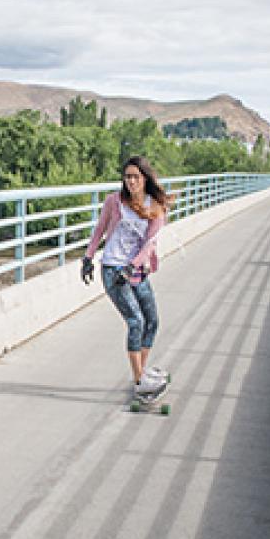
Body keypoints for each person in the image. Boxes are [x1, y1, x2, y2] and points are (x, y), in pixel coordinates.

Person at [81, 156, 169, 397]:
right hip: (112, 269)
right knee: (135, 321)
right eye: (127, 176)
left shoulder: (156, 207)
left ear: (145, 179)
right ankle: (141, 380)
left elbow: (149, 244)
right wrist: (88, 258)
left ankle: (141, 374)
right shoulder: (114, 201)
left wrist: (131, 267)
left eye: (136, 177)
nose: (131, 181)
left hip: (135, 271)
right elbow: (100, 229)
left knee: (152, 321)